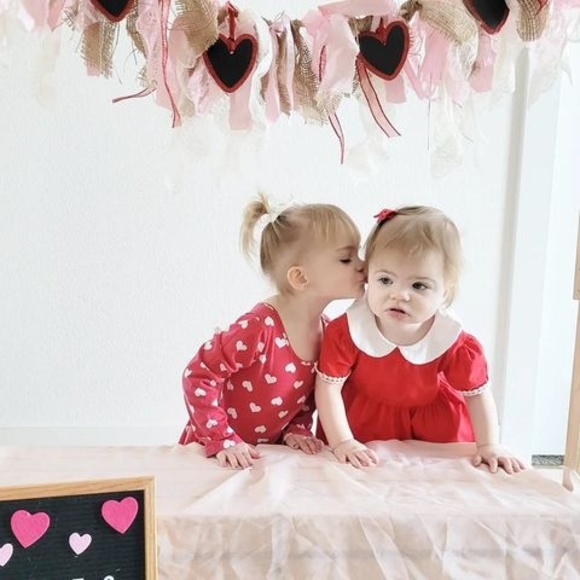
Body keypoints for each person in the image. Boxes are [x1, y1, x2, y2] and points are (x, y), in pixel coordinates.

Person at [315, 206, 525, 473]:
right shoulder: (349, 332)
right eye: (385, 280)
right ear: (368, 276)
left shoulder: (451, 340)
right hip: (363, 424)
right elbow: (328, 388)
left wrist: (489, 444)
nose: (399, 294)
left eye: (418, 286)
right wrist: (343, 441)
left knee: (436, 476)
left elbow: (477, 395)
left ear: (445, 292)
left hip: (434, 427)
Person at [179, 193, 365, 469]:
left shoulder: (327, 330)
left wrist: (296, 427)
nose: (362, 265)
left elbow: (306, 393)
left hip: (263, 458)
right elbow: (198, 375)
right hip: (215, 455)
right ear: (300, 277)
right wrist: (221, 438)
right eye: (347, 259)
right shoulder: (259, 328)